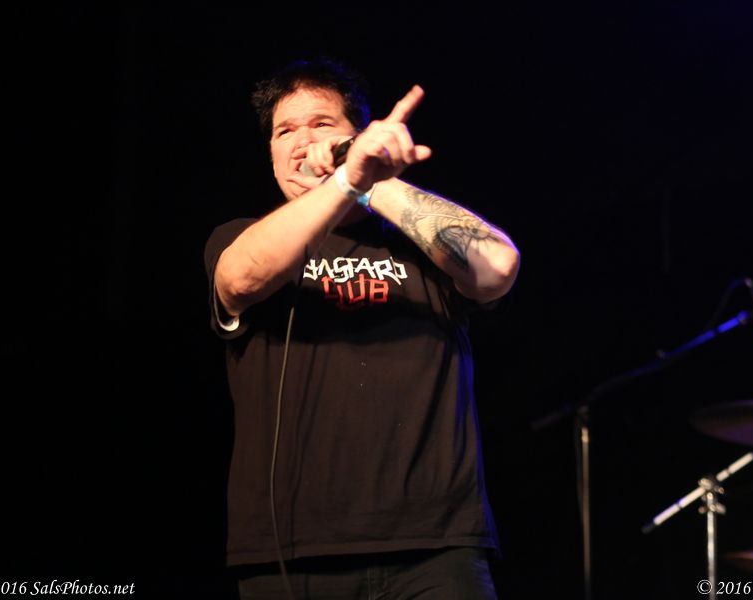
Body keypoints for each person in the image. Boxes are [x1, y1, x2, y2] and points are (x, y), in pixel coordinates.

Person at [204, 58, 520, 600]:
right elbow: (242, 277)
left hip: (435, 550)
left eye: (322, 124)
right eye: (285, 131)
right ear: (271, 153)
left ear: (360, 136)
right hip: (293, 555)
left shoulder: (417, 246)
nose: (303, 143)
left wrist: (368, 179)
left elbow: (498, 267)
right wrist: (348, 180)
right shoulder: (239, 235)